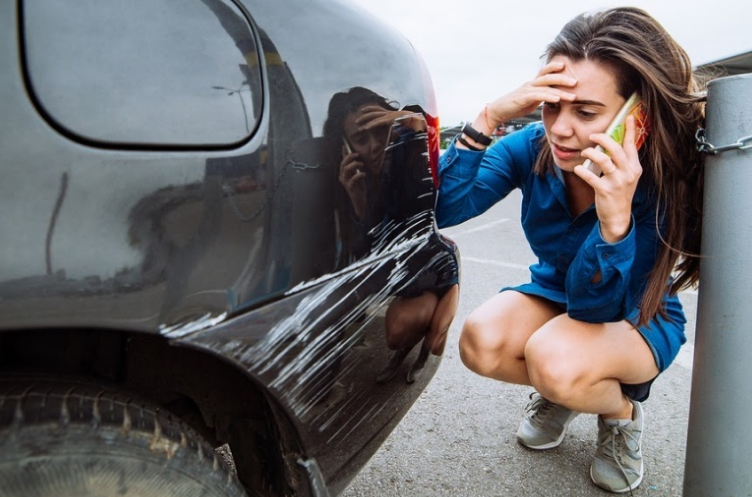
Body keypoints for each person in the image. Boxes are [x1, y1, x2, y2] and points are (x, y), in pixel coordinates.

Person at [436, 7, 705, 493]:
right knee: (480, 340)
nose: (560, 129)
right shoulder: (532, 146)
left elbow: (596, 306)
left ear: (634, 117)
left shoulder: (662, 178)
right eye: (550, 105)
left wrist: (614, 220)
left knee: (555, 360)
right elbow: (446, 206)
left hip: (634, 315)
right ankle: (570, 389)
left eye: (585, 112)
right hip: (556, 295)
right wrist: (488, 118)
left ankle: (619, 414)